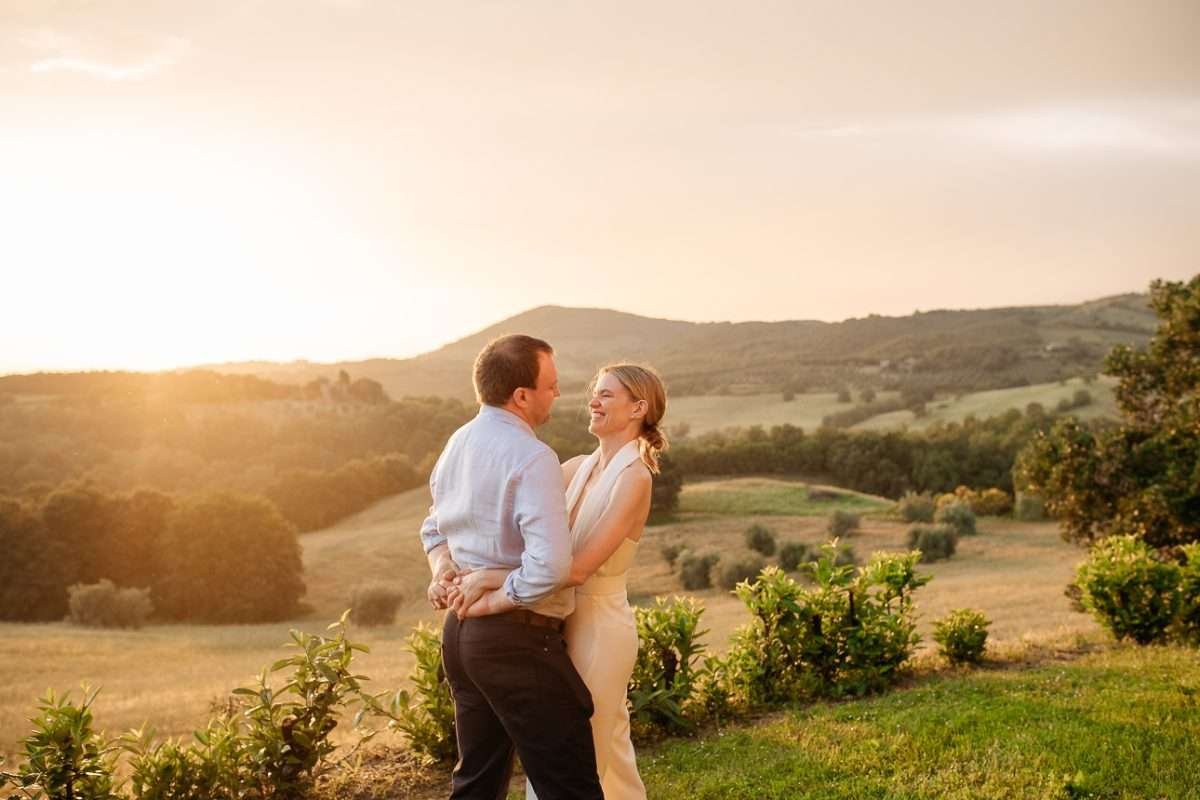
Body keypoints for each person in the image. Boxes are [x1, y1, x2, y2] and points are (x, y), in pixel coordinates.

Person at [451, 363, 667, 800]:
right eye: (594, 392)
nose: (593, 401)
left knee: (576, 752)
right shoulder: (573, 468)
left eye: (607, 395)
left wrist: (490, 580)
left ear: (639, 408)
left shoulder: (635, 478)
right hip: (553, 620)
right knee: (607, 750)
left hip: (599, 630)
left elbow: (579, 569)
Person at [419, 334, 603, 800]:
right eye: (551, 386)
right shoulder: (531, 456)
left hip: (459, 638)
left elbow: (432, 528)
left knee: (476, 782)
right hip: (514, 639)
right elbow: (549, 566)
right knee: (570, 785)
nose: (557, 395)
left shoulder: (458, 441)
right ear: (521, 396)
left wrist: (442, 569)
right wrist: (492, 602)